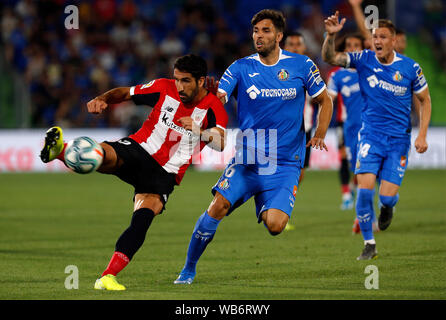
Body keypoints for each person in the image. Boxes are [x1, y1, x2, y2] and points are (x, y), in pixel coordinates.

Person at [40, 54, 228, 290]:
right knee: (101, 155)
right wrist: (102, 98)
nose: (179, 86)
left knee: (142, 220)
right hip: (139, 148)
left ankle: (107, 277)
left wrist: (200, 130)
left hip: (164, 174)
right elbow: (125, 92)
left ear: (201, 81)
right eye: (177, 79)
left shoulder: (213, 107)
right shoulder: (163, 88)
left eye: (186, 81)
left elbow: (220, 142)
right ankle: (59, 150)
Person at [174, 9, 333, 284]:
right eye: (256, 31)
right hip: (249, 159)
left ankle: (263, 199)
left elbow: (325, 100)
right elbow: (219, 98)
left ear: (279, 35)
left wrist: (319, 132)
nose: (259, 36)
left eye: (266, 31)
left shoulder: (302, 65)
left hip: (285, 164)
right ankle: (188, 269)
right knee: (217, 206)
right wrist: (208, 98)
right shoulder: (240, 68)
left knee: (275, 226)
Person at [322, 13, 432, 260]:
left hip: (398, 142)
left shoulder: (410, 67)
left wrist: (422, 134)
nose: (377, 41)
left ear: (394, 41)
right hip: (370, 137)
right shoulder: (363, 59)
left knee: (386, 196)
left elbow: (425, 100)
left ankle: (388, 206)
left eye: (383, 36)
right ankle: (369, 243)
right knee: (364, 190)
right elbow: (330, 57)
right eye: (374, 37)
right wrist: (331, 36)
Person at [281, 31, 314, 231]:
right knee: (283, 172)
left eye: (298, 44)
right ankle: (275, 208)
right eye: (290, 44)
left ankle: (281, 207)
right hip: (283, 131)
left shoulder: (309, 69)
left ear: (303, 48)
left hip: (305, 130)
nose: (294, 47)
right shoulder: (279, 70)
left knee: (299, 174)